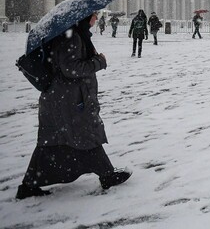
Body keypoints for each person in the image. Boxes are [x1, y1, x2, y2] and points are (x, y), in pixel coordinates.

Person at [16, 12, 131, 200]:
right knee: (84, 133)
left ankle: (29, 185)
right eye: (95, 16)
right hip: (69, 99)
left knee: (53, 141)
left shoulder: (71, 34)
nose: (96, 19)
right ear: (85, 18)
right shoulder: (73, 37)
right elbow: (71, 69)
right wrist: (99, 62)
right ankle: (107, 175)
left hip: (60, 97)